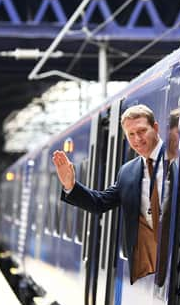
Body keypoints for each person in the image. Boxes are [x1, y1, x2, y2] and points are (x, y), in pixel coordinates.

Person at [53, 104, 173, 284]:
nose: (137, 139)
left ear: (155, 128)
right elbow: (99, 203)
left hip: (175, 260)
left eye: (141, 131)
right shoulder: (128, 172)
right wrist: (70, 185)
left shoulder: (177, 159)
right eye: (131, 134)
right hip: (147, 269)